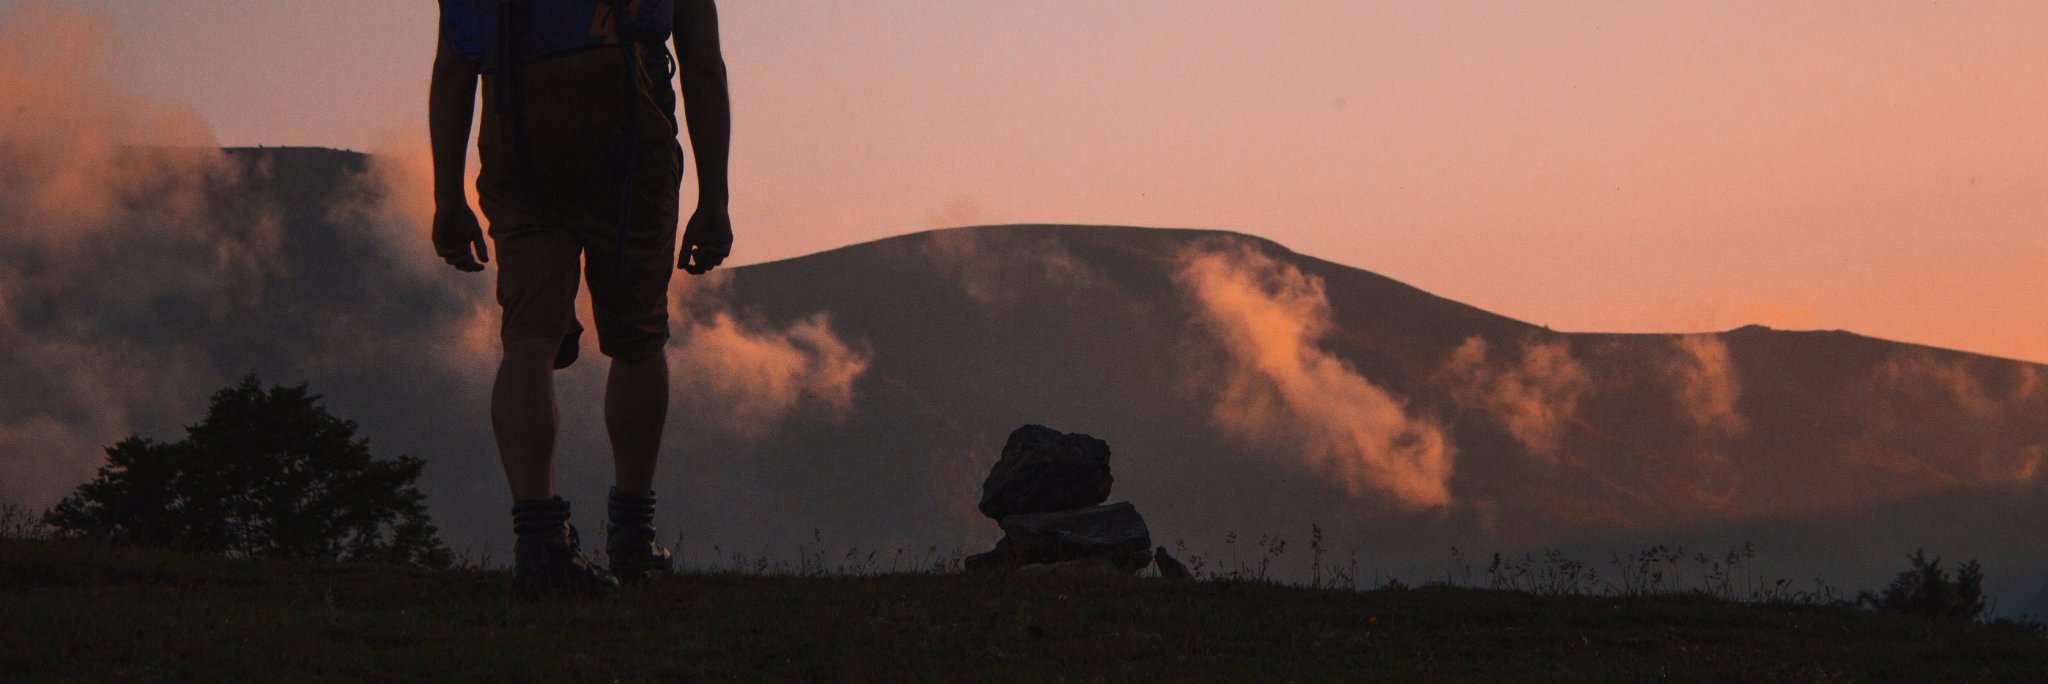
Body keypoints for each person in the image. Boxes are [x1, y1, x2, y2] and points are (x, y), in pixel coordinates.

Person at [428, 0, 732, 595]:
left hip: (520, 145)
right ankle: (633, 541)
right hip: (627, 145)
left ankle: (539, 542)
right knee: (638, 338)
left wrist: (447, 197)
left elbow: (454, 68)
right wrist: (715, 200)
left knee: (528, 340)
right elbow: (702, 65)